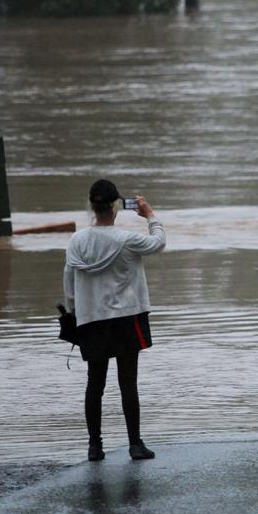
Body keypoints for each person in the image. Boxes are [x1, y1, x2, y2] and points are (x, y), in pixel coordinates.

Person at [64, 179, 166, 461]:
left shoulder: (76, 241)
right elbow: (159, 243)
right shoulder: (126, 239)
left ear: (92, 207)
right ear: (115, 207)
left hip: (91, 319)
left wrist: (75, 314)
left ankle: (94, 447)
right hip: (125, 317)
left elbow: (69, 283)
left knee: (94, 383)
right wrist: (151, 216)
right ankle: (135, 444)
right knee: (128, 381)